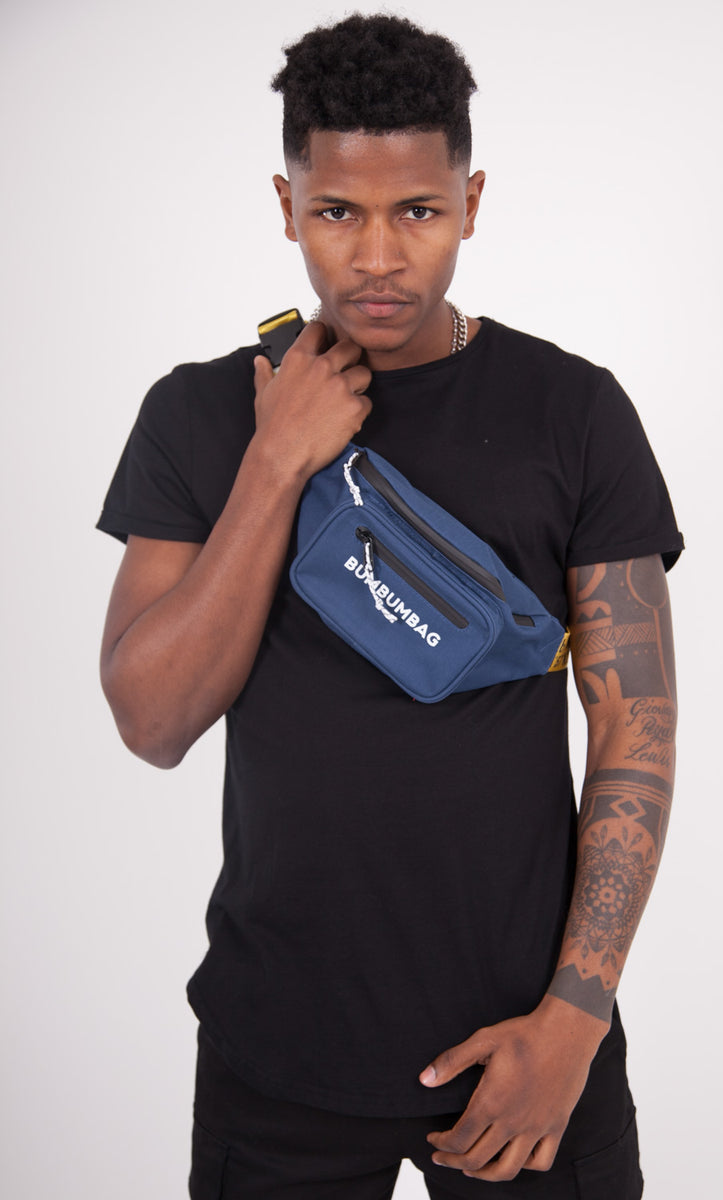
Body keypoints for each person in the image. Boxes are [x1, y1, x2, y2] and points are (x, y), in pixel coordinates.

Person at [97, 13, 683, 1198]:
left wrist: (573, 1021)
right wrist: (275, 462)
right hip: (278, 1048)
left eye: (416, 211)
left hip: (527, 1043)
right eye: (336, 212)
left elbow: (634, 727)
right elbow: (152, 721)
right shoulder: (198, 416)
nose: (375, 256)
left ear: (471, 201)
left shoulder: (572, 412)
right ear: (285, 205)